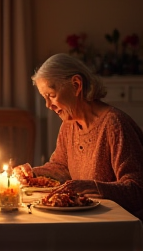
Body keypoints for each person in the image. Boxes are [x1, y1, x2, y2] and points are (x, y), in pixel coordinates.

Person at [15, 53, 143, 220]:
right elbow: (61, 167)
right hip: (88, 219)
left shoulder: (114, 124)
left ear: (76, 85)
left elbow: (137, 190)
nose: (48, 105)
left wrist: (93, 187)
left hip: (118, 224)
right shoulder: (69, 125)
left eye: (51, 96)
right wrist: (31, 174)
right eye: (44, 98)